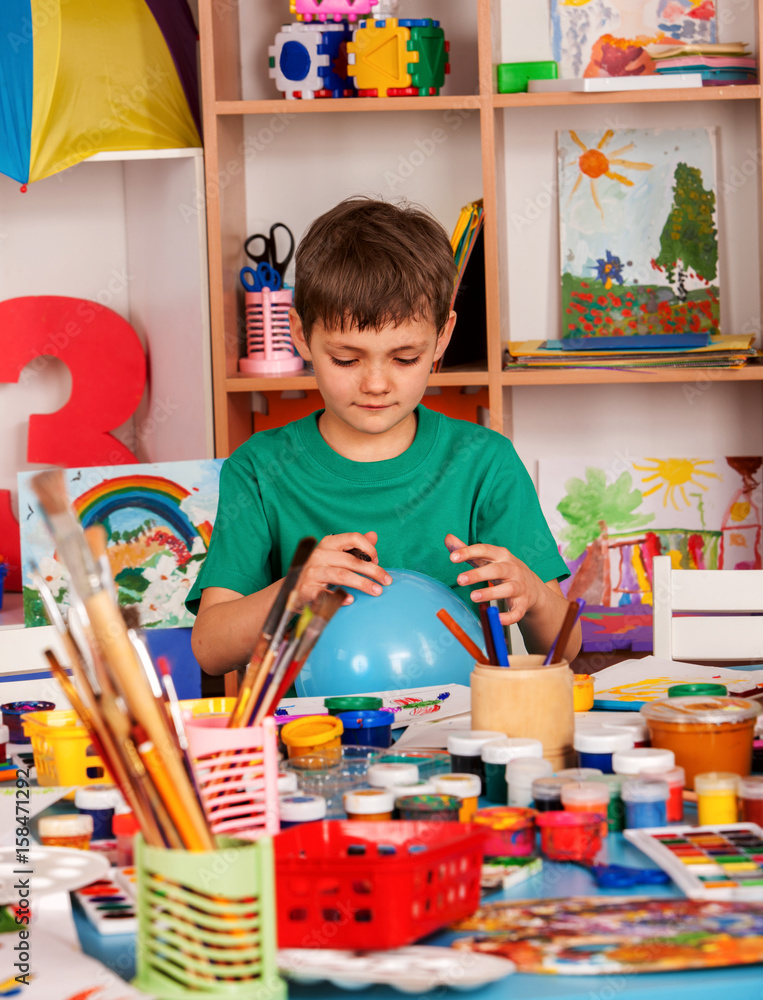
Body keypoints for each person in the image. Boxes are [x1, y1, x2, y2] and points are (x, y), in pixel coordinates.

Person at [188, 197, 581, 677]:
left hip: (459, 734)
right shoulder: (258, 467)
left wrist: (534, 595)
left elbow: (564, 648)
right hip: (314, 742)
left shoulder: (485, 463)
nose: (376, 383)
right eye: (347, 359)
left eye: (405, 358)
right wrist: (292, 589)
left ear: (442, 337)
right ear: (299, 333)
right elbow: (210, 647)